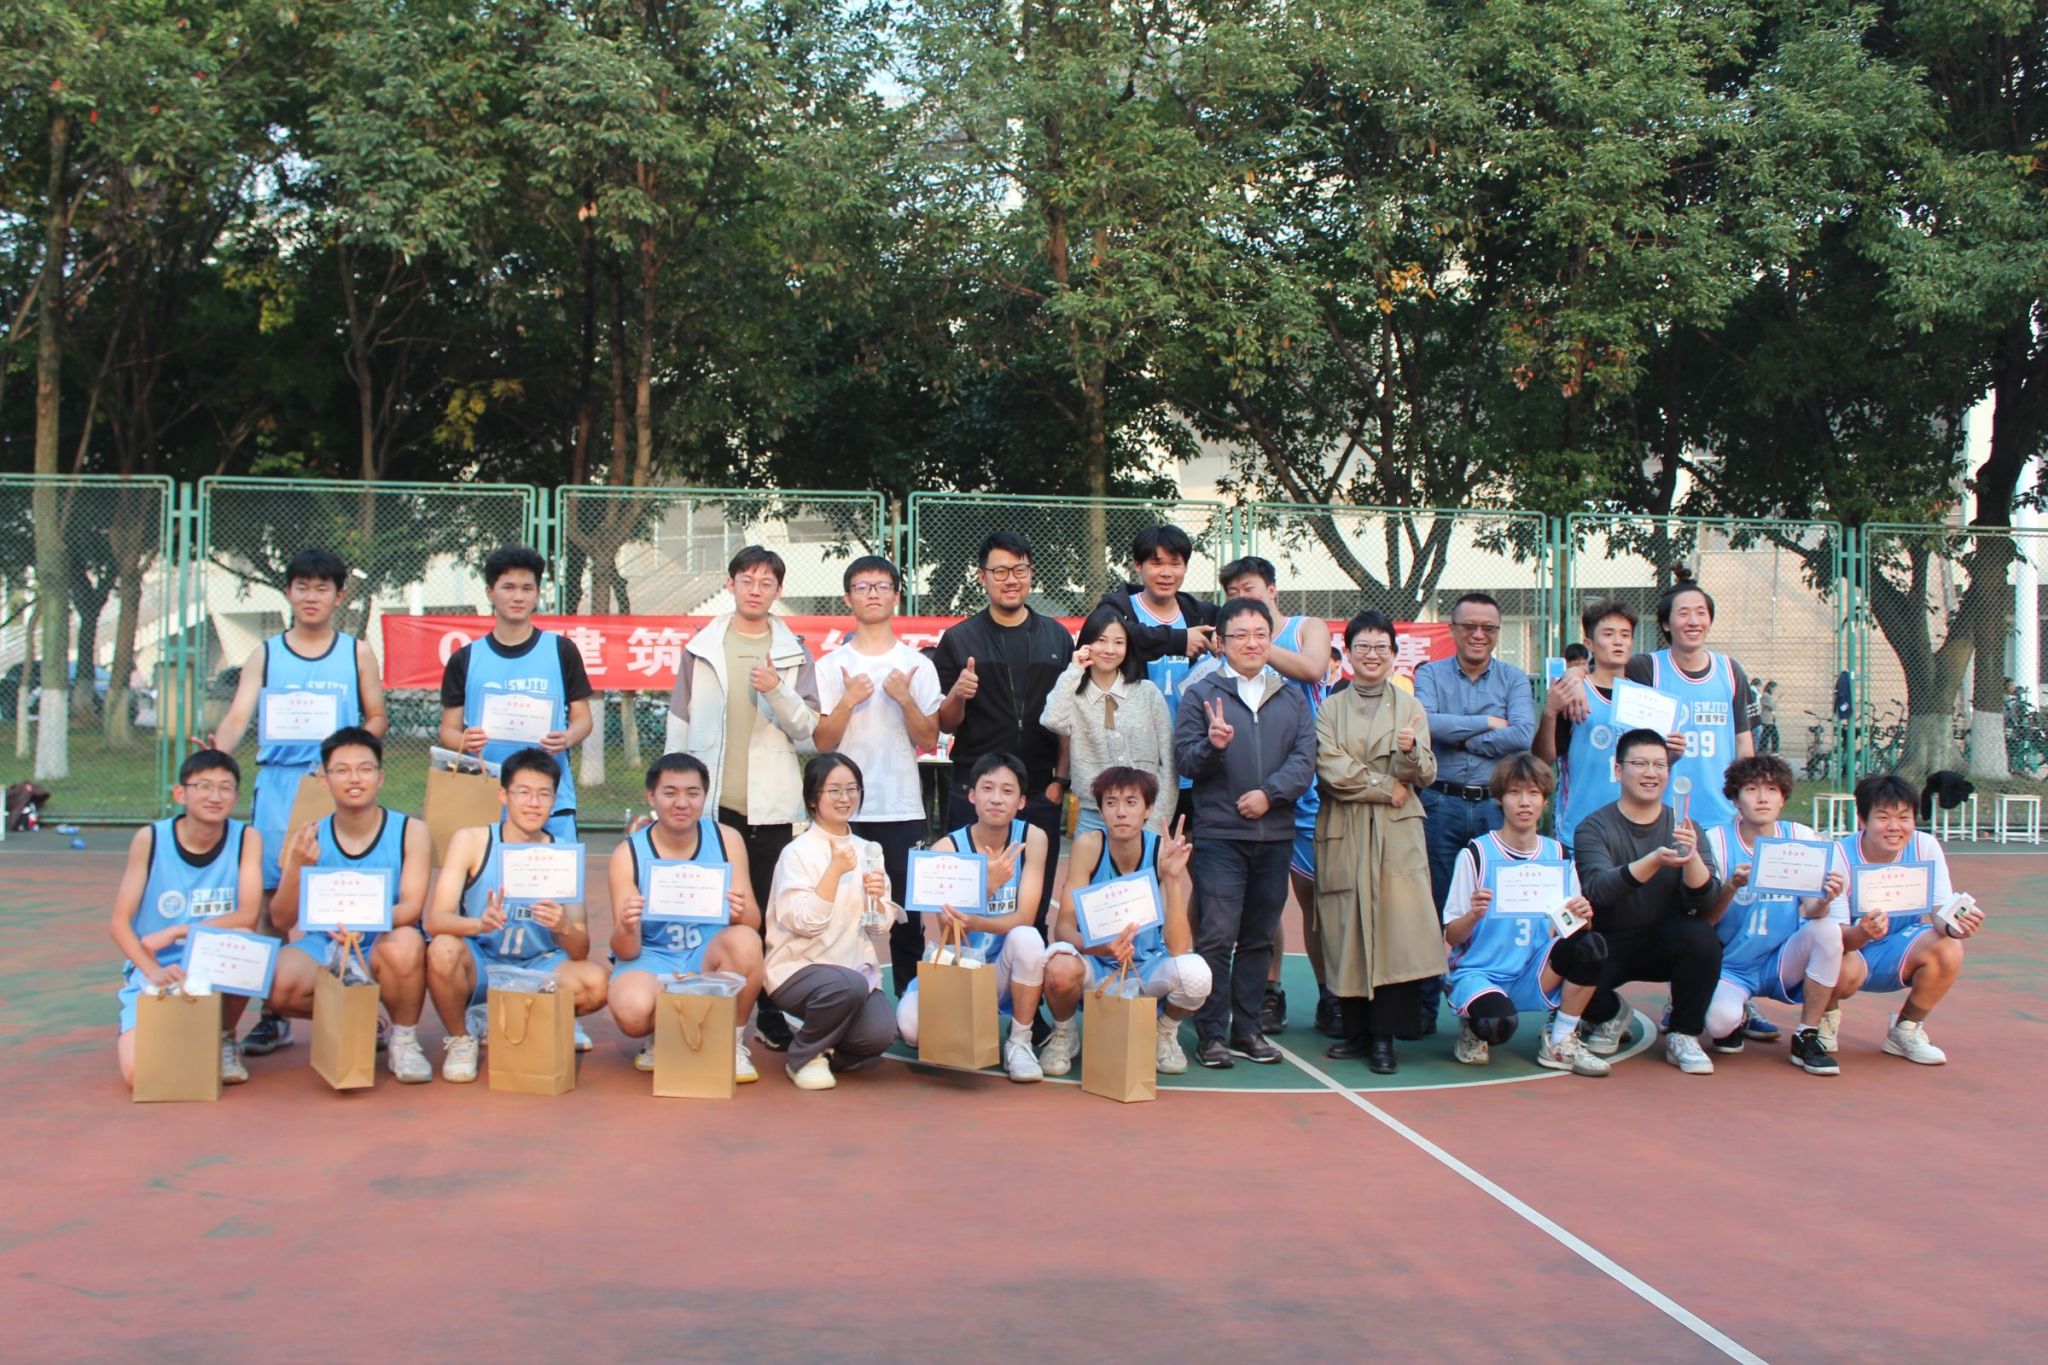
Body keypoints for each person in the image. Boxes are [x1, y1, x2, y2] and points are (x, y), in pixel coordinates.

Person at [206, 547, 388, 1059]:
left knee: (345, 897)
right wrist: (216, 756)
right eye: (302, 587)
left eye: (321, 588)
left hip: (337, 787)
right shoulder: (266, 654)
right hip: (280, 788)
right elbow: (238, 716)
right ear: (288, 592)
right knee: (272, 903)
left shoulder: (356, 653)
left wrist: (343, 759)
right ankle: (273, 1016)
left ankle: (358, 998)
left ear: (339, 596)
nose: (311, 597)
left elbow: (377, 717)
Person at [665, 545, 822, 1049]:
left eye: (766, 583)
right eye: (747, 580)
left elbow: (807, 729)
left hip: (771, 809)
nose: (756, 590)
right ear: (730, 584)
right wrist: (671, 797)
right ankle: (703, 1009)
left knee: (770, 917)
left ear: (779, 590)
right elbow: (679, 724)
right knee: (710, 911)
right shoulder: (701, 647)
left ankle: (770, 1014)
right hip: (712, 806)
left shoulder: (794, 651)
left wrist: (777, 689)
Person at [1174, 597, 1317, 1068]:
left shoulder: (1290, 696)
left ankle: (1248, 1029)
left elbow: (1305, 761)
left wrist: (1269, 795)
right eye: (1240, 635)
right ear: (1220, 642)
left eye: (1260, 634)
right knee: (1217, 936)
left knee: (1259, 937)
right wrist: (1213, 747)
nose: (1251, 643)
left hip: (1275, 835)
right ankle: (1212, 1034)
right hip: (1219, 835)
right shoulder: (1201, 695)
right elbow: (1186, 761)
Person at [423, 748, 610, 1083]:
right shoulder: (472, 840)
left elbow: (580, 949)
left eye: (544, 794)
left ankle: (539, 1016)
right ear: (503, 795)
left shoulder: (562, 853)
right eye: (523, 792)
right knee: (442, 949)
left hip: (537, 965)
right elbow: (435, 920)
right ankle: (461, 1038)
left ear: (554, 800)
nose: (533, 803)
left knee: (596, 983)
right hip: (482, 961)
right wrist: (478, 924)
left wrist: (564, 927)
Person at [263, 728, 434, 1084]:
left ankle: (404, 1039)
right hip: (325, 942)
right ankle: (363, 1021)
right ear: (325, 780)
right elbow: (281, 917)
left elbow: (411, 908)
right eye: (341, 770)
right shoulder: (308, 835)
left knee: (406, 944)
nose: (354, 778)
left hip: (381, 938)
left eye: (364, 769)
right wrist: (297, 867)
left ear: (380, 777)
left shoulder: (410, 830)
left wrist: (365, 922)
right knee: (276, 982)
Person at [1314, 611, 1441, 1074]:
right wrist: (1385, 786)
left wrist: (1410, 752)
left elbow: (1425, 773)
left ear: (1394, 654)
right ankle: (1356, 1031)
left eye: (1380, 647)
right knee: (1347, 926)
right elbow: (1330, 768)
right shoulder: (1330, 708)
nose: (1371, 655)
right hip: (1346, 826)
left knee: (1396, 929)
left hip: (1396, 830)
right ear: (1348, 653)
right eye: (1362, 647)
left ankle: (1386, 1036)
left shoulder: (1410, 707)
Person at [813, 555, 942, 997]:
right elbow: (823, 742)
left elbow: (929, 739)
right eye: (863, 586)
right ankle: (840, 1000)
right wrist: (848, 701)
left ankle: (911, 1005)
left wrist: (905, 699)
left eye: (882, 586)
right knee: (840, 913)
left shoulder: (916, 665)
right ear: (848, 598)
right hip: (844, 812)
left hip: (901, 808)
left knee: (906, 919)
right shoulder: (830, 666)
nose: (873, 593)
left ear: (896, 596)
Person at [932, 531, 1074, 931]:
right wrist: (958, 694)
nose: (1011, 580)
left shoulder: (1057, 637)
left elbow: (1068, 718)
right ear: (982, 577)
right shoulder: (959, 639)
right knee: (963, 900)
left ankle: (1029, 967)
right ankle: (965, 967)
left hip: (1040, 789)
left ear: (1031, 574)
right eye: (1000, 571)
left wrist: (1060, 781)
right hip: (975, 789)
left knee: (1034, 906)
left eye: (1019, 570)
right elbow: (946, 723)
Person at [1220, 555, 1335, 1037]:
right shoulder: (1230, 641)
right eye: (1232, 595)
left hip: (1304, 783)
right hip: (1252, 783)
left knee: (1315, 898)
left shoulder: (1306, 628)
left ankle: (1331, 994)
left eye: (1249, 589)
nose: (1241, 599)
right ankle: (1270, 990)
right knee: (1263, 901)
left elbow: (1312, 669)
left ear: (1271, 590)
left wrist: (1254, 646)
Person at [1440, 754, 1611, 1077]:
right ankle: (1473, 1025)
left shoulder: (1557, 854)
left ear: (1545, 801)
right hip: (1481, 972)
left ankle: (1560, 1039)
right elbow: (1452, 935)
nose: (1524, 802)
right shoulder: (1476, 854)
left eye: (1533, 793)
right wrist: (1474, 914)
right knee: (1497, 1026)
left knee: (1591, 945)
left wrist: (1583, 917)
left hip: (1533, 969)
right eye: (1515, 792)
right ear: (1499, 799)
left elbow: (1569, 929)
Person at [1413, 591, 1535, 1033]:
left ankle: (1481, 1003)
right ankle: (1424, 1009)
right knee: (1435, 907)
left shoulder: (1514, 678)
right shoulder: (1430, 674)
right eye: (1469, 626)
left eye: (1488, 628)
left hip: (1492, 807)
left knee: (1491, 908)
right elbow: (1424, 723)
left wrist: (1460, 737)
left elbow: (1522, 734)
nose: (1479, 634)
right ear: (1453, 629)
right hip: (1439, 803)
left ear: (1497, 632)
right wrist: (1485, 724)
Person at [1570, 728, 1725, 1074]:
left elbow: (1705, 902)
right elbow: (1598, 890)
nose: (1650, 773)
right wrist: (1653, 860)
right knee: (1568, 959)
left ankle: (1684, 1034)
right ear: (1618, 770)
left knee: (1702, 938)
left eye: (1659, 765)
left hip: (1663, 939)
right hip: (1610, 939)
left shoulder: (1687, 827)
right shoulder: (1593, 828)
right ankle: (1611, 1014)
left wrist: (1691, 859)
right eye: (1639, 763)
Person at [1038, 769, 1210, 1076]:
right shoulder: (1089, 846)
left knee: (1197, 974)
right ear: (1101, 809)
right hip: (1098, 965)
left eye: (1131, 802)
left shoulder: (1161, 851)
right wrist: (1100, 948)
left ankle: (1164, 1032)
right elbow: (1063, 928)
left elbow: (1178, 947)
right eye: (1111, 802)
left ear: (1148, 809)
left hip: (1147, 968)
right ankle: (1065, 1033)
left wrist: (1173, 879)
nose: (1121, 812)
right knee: (1058, 967)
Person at [605, 753, 764, 1082]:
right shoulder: (627, 854)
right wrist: (628, 926)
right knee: (632, 1011)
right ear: (651, 796)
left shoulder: (727, 839)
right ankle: (663, 1034)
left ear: (705, 796)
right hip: (653, 956)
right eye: (670, 792)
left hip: (706, 953)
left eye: (692, 793)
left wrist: (739, 911)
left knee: (746, 941)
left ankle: (731, 1042)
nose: (682, 803)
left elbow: (753, 921)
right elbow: (626, 950)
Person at [109, 750, 264, 1087]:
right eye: (204, 786)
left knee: (248, 942)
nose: (215, 796)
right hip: (157, 965)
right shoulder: (150, 839)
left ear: (236, 796)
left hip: (212, 957)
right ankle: (186, 1039)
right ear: (181, 793)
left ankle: (223, 1035)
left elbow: (249, 914)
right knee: (138, 1075)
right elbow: (119, 923)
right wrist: (151, 970)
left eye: (225, 788)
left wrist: (178, 930)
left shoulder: (246, 838)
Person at [895, 753, 1052, 1082]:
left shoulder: (1032, 838)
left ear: (1022, 801)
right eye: (987, 788)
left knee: (1028, 939)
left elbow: (1025, 917)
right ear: (972, 796)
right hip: (960, 966)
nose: (996, 798)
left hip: (1003, 971)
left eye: (1007, 791)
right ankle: (965, 1022)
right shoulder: (945, 849)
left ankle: (1019, 1042)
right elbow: (950, 931)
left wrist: (977, 918)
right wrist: (986, 886)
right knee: (911, 1029)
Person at [1698, 754, 1849, 1076]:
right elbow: (1704, 921)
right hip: (1732, 964)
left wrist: (1825, 898)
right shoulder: (1716, 841)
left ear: (1783, 797)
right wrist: (1730, 887)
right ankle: (1737, 1015)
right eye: (1751, 789)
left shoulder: (1801, 837)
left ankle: (1807, 1034)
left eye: (1771, 789)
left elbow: (1813, 911)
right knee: (1719, 1025)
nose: (1762, 798)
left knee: (1827, 930)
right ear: (1735, 799)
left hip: (1781, 958)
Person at [763, 753, 904, 1090]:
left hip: (852, 973)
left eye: (852, 789)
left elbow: (879, 927)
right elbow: (805, 923)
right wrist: (835, 870)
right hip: (797, 969)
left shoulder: (869, 849)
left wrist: (877, 901)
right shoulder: (797, 852)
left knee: (880, 1034)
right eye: (835, 790)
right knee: (847, 985)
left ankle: (828, 1050)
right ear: (813, 798)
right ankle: (804, 1056)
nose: (845, 798)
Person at [438, 545, 594, 844]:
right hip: (484, 799)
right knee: (483, 875)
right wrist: (463, 741)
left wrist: (567, 737)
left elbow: (583, 720)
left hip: (551, 802)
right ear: (490, 592)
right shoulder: (465, 658)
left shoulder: (561, 651)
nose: (518, 597)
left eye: (527, 588)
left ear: (537, 594)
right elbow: (448, 730)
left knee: (552, 874)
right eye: (508, 587)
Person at [1830, 773, 1985, 1064]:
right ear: (1862, 820)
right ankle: (1825, 1017)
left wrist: (1956, 926)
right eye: (1883, 817)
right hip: (1848, 950)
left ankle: (1906, 1030)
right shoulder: (1839, 854)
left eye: (1904, 817)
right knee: (1823, 946)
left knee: (1948, 946)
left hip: (1898, 948)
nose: (1894, 827)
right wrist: (1863, 932)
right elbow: (1835, 933)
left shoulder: (1925, 847)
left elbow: (1940, 909)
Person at [1625, 579, 1757, 835]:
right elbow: (1600, 672)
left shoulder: (1730, 671)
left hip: (1722, 816)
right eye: (1683, 613)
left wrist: (1746, 798)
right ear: (1666, 623)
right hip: (1662, 816)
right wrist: (1575, 674)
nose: (1694, 621)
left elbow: (1743, 743)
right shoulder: (1646, 668)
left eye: (1701, 612)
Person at [1039, 606, 1175, 837]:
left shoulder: (1147, 693)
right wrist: (1074, 671)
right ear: (1086, 644)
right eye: (1101, 641)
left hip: (1145, 817)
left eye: (1119, 642)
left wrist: (1155, 823)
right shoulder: (1073, 695)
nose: (1110, 650)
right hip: (1093, 818)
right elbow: (1052, 720)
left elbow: (1169, 762)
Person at [1533, 599, 1639, 856]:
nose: (1618, 641)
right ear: (1589, 643)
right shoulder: (1571, 693)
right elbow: (1543, 758)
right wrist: (1550, 712)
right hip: (1580, 828)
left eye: (1625, 635)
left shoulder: (1645, 697)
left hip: (1633, 830)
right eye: (1608, 634)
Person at [1096, 524, 1219, 713]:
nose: (1166, 573)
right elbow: (1125, 636)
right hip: (1134, 728)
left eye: (1175, 564)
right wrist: (1180, 640)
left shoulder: (1203, 614)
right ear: (1138, 565)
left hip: (1188, 730)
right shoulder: (1117, 609)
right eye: (1157, 563)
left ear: (1186, 567)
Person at [1757, 681, 1781, 754]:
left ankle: (1764, 751)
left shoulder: (1768, 696)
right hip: (1767, 720)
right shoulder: (1766, 696)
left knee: (1767, 736)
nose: (1775, 690)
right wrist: (1777, 699)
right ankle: (1772, 752)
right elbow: (1772, 707)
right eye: (1774, 688)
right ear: (1770, 688)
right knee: (1773, 737)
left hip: (1770, 720)